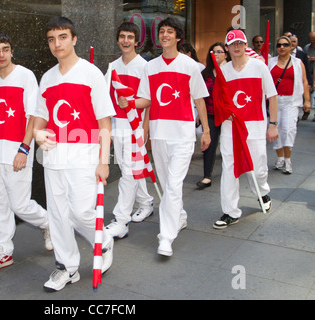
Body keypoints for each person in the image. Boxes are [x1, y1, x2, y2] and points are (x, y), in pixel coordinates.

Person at [33, 16, 115, 292]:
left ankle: (102, 242)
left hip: (85, 153)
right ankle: (66, 267)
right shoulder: (46, 77)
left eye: (63, 37)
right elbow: (40, 120)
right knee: (57, 215)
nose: (57, 44)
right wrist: (37, 134)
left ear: (74, 38)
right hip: (54, 157)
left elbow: (105, 122)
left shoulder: (91, 73)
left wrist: (104, 162)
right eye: (51, 39)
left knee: (81, 213)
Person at [119, 17, 211, 256]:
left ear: (178, 37)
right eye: (162, 31)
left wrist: (207, 131)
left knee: (172, 185)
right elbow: (146, 100)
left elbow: (199, 99)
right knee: (167, 184)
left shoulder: (189, 66)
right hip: (160, 134)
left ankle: (166, 237)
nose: (165, 35)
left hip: (182, 134)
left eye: (170, 32)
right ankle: (179, 216)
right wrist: (128, 103)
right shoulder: (151, 66)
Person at [0, 31, 52, 274]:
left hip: (17, 151)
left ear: (12, 51)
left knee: (20, 204)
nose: (1, 54)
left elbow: (33, 116)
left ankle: (48, 224)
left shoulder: (25, 76)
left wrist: (24, 148)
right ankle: (3, 251)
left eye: (5, 49)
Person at [213, 29, 278, 229]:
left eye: (240, 43)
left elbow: (272, 96)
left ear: (245, 45)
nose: (237, 47)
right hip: (231, 128)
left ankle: (263, 191)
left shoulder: (259, 67)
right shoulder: (223, 72)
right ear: (227, 48)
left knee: (257, 169)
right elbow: (218, 102)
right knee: (230, 168)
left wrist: (273, 124)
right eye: (232, 44)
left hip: (255, 126)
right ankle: (230, 211)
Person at [104, 22, 154, 239]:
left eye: (130, 37)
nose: (125, 41)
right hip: (117, 126)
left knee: (128, 172)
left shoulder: (144, 66)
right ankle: (146, 202)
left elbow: (149, 101)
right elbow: (105, 99)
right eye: (122, 36)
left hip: (134, 127)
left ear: (137, 41)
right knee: (130, 169)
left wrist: (144, 130)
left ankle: (121, 220)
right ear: (118, 39)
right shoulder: (112, 66)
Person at [269, 36, 311, 174]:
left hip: (291, 101)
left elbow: (304, 82)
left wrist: (307, 100)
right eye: (279, 44)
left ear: (290, 47)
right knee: (276, 130)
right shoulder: (270, 62)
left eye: (285, 44)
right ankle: (280, 158)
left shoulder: (298, 63)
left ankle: (288, 160)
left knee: (288, 130)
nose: (282, 47)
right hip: (274, 102)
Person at [196, 42, 228, 189]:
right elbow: (199, 97)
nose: (216, 54)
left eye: (220, 52)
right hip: (210, 114)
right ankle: (206, 176)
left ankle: (232, 173)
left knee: (229, 146)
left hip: (228, 116)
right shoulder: (205, 74)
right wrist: (199, 115)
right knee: (209, 145)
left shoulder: (231, 72)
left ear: (226, 54)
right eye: (213, 52)